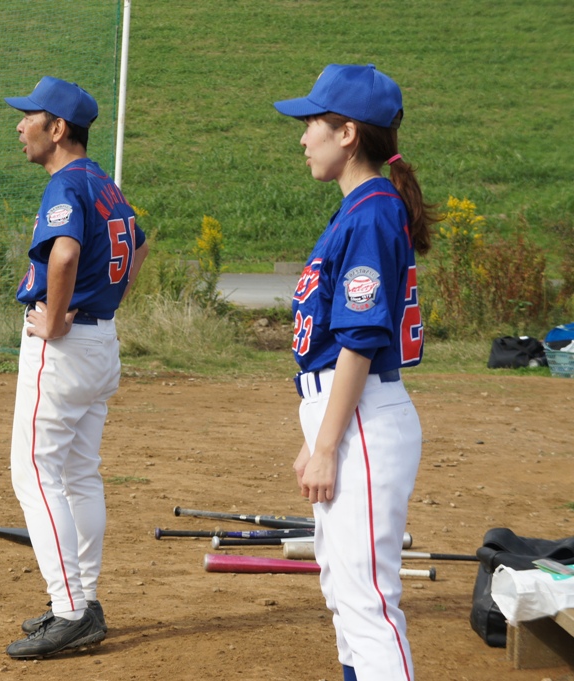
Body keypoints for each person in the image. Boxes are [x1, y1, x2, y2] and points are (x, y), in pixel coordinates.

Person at [273, 64, 437, 681]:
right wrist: (315, 436)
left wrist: (327, 443)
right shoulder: (364, 208)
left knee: (367, 602)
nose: (302, 136)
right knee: (344, 593)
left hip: (362, 416)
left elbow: (361, 342)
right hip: (351, 412)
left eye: (312, 122)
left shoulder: (370, 212)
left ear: (347, 134)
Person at [1, 76, 148, 659]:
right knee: (79, 474)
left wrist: (58, 319)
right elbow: (137, 244)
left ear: (57, 129)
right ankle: (82, 599)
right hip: (100, 342)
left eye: (29, 116)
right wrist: (106, 303)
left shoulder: (66, 182)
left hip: (62, 349)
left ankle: (70, 610)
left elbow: (63, 252)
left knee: (33, 472)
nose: (19, 126)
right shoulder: (104, 184)